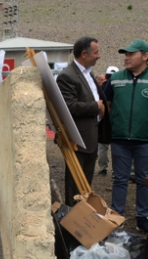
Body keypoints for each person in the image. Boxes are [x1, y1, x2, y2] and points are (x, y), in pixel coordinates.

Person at [104, 39, 148, 234]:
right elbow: (108, 105)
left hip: (146, 139)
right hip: (120, 139)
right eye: (125, 54)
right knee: (119, 178)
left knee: (144, 178)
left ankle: (142, 217)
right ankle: (116, 217)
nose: (126, 58)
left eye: (131, 54)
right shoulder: (116, 78)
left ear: (145, 56)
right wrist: (120, 122)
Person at [56, 36, 107, 206]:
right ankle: (73, 223)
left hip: (90, 139)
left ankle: (84, 221)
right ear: (84, 54)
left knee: (86, 188)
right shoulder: (67, 76)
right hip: (78, 140)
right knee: (76, 189)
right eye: (96, 52)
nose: (99, 56)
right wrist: (96, 106)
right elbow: (68, 107)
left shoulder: (88, 74)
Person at [97, 66, 118, 176]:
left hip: (103, 121)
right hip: (117, 121)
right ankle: (116, 170)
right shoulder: (120, 87)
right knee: (118, 147)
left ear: (105, 76)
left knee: (103, 146)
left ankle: (103, 168)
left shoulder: (101, 88)